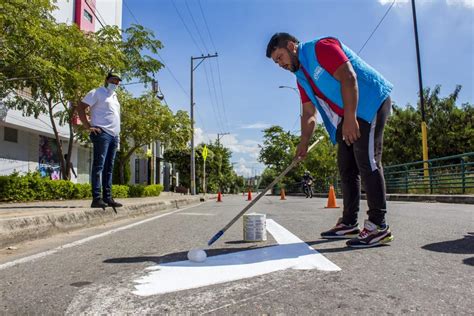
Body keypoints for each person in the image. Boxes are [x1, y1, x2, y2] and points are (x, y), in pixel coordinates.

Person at [266, 33, 393, 248]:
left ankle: (378, 226)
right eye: (276, 62)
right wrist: (304, 141)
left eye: (280, 57)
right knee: (346, 166)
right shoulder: (300, 77)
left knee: (367, 160)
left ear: (290, 46)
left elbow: (349, 77)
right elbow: (309, 113)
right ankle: (349, 222)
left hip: (369, 102)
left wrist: (351, 117)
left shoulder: (321, 48)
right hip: (349, 113)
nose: (280, 64)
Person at [77, 72, 123, 208]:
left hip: (114, 136)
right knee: (99, 166)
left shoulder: (114, 96)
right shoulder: (97, 92)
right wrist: (88, 126)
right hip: (102, 133)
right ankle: (96, 198)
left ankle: (107, 197)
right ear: (106, 80)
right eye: (113, 80)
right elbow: (80, 107)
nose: (115, 83)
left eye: (117, 82)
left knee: (109, 168)